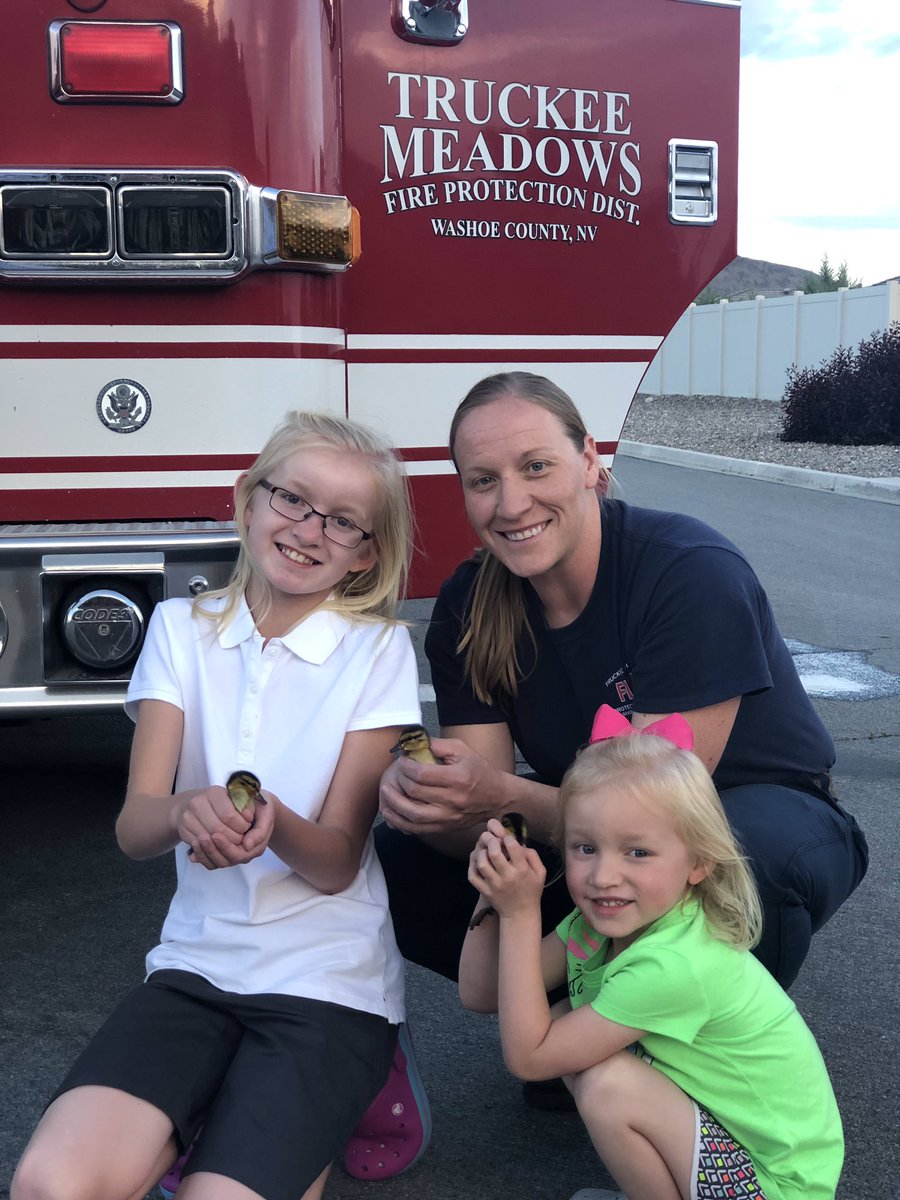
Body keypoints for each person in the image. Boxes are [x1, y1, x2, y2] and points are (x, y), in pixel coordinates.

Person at [12, 411, 428, 1200]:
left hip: (327, 987)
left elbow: (338, 861)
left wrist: (273, 822)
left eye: (343, 521)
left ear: (367, 551)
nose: (310, 529)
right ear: (247, 501)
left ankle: (346, 1083)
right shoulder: (179, 628)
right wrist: (182, 812)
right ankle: (220, 1112)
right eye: (293, 500)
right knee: (48, 1183)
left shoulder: (379, 651)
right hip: (195, 971)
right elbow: (137, 828)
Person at [377, 371, 868, 994]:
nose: (511, 504)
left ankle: (698, 1062)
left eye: (535, 467)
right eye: (483, 481)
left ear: (588, 459)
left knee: (745, 857)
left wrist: (497, 797)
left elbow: (657, 814)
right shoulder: (469, 605)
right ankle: (567, 1019)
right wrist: (430, 801)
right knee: (396, 861)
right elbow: (486, 813)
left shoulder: (687, 573)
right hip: (598, 818)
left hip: (755, 805)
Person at [459, 708, 844, 1200]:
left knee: (606, 1084)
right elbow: (480, 991)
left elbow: (530, 1058)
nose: (603, 876)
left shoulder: (675, 963)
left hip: (777, 1186)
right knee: (564, 1023)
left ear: (699, 861)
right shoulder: (598, 927)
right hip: (730, 1148)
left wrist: (520, 914)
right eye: (585, 848)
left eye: (637, 852)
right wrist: (492, 892)